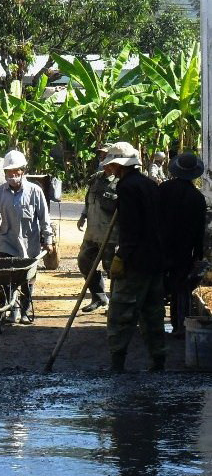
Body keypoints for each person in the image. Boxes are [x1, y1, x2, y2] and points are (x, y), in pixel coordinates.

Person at [103, 142, 165, 373]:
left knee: (121, 313)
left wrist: (122, 256)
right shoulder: (150, 185)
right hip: (155, 260)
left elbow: (131, 228)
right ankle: (158, 361)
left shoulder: (127, 187)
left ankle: (117, 364)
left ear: (119, 165)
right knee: (153, 314)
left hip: (136, 261)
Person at [0, 149, 54, 324]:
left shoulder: (35, 191)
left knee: (27, 281)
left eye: (16, 171)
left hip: (30, 245)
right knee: (7, 280)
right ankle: (11, 311)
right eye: (9, 172)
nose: (13, 175)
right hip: (7, 243)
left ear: (23, 171)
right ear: (4, 173)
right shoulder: (0, 192)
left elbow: (44, 218)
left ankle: (25, 311)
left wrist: (48, 240)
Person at [158, 152, 207, 337]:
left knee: (157, 287)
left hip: (161, 247)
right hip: (184, 250)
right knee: (181, 289)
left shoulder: (163, 189)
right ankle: (180, 327)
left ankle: (155, 326)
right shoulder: (197, 198)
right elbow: (199, 232)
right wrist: (198, 255)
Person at [77, 155, 119, 313]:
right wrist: (83, 216)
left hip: (110, 236)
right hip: (92, 234)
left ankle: (115, 304)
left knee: (113, 271)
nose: (105, 164)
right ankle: (99, 297)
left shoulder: (120, 183)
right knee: (84, 263)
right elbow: (88, 200)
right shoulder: (96, 179)